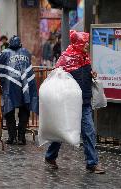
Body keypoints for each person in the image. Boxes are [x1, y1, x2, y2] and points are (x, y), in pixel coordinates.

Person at [44, 30, 105, 174]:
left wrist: (92, 75)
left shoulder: (85, 57)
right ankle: (50, 156)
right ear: (78, 43)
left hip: (84, 102)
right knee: (61, 131)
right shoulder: (65, 59)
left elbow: (85, 75)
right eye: (85, 42)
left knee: (89, 131)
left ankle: (92, 163)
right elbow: (55, 77)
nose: (87, 45)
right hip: (68, 103)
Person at [0, 35, 38, 145]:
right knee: (25, 109)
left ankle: (12, 137)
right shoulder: (26, 52)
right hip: (25, 84)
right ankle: (21, 137)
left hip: (11, 85)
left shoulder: (5, 52)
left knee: (9, 110)